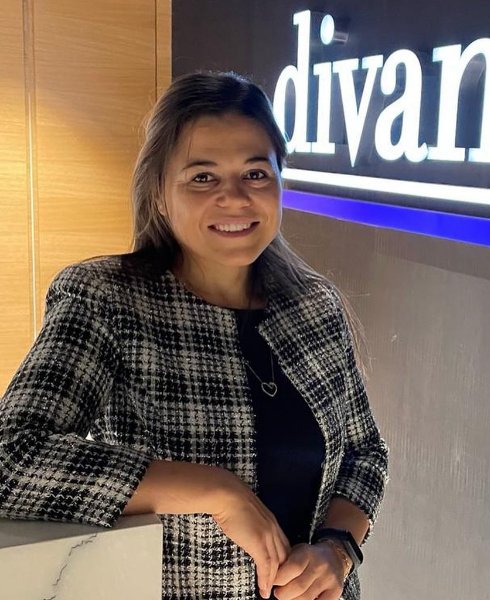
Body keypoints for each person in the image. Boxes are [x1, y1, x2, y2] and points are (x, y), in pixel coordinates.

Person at [0, 71, 389, 600]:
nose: (236, 198)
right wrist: (218, 491)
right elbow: (13, 458)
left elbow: (366, 453)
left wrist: (337, 550)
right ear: (160, 193)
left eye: (255, 173)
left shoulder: (314, 306)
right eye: (202, 177)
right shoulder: (107, 299)